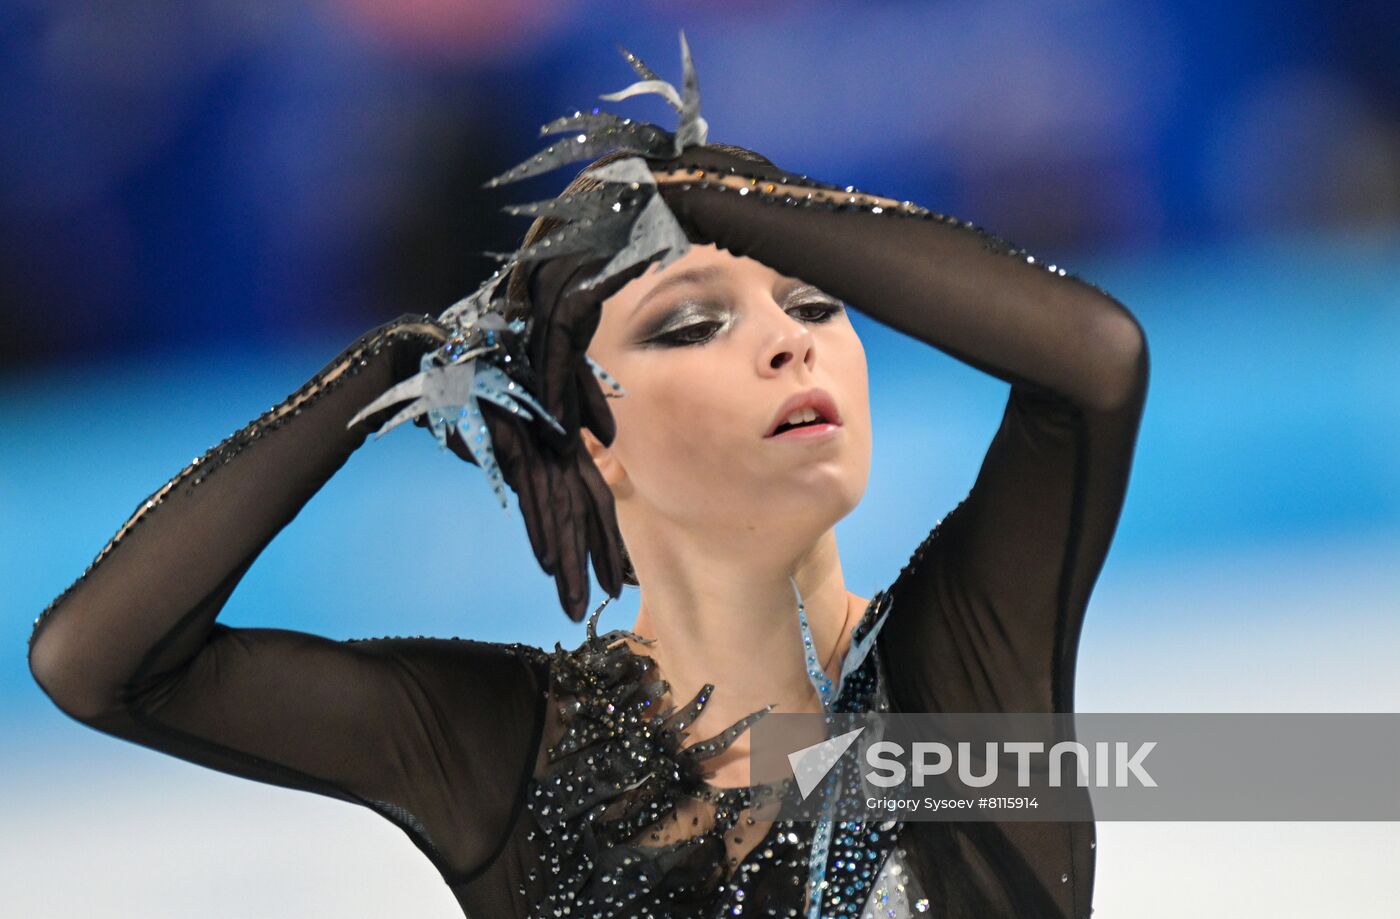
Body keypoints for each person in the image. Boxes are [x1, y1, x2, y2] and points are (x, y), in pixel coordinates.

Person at [26, 33, 1147, 919]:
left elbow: (1091, 362)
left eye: (813, 303)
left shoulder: (956, 680)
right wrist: (379, 370)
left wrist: (698, 197)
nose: (788, 342)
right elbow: (99, 662)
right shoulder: (508, 746)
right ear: (592, 436)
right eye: (693, 324)